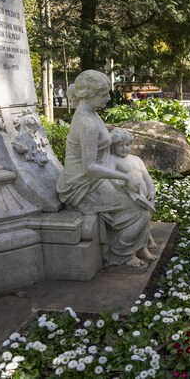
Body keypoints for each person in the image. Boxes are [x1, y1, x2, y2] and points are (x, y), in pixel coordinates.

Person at [56, 70, 156, 268]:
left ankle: (138, 246)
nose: (109, 98)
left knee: (142, 197)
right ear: (88, 94)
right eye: (104, 94)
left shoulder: (90, 114)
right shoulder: (87, 123)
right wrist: (125, 177)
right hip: (83, 185)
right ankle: (122, 253)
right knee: (141, 209)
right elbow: (90, 167)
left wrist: (127, 171)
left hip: (97, 177)